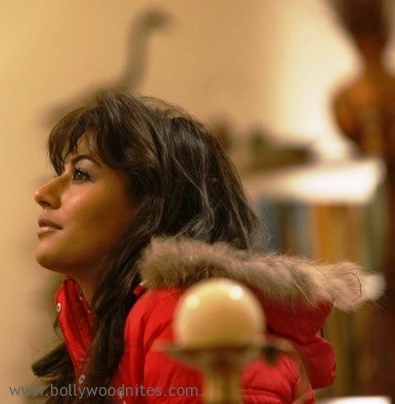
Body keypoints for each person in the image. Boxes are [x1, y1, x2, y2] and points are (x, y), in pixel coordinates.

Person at [32, 89, 373, 403]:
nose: (43, 193)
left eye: (80, 174)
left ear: (151, 206)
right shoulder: (110, 321)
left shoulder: (183, 316)